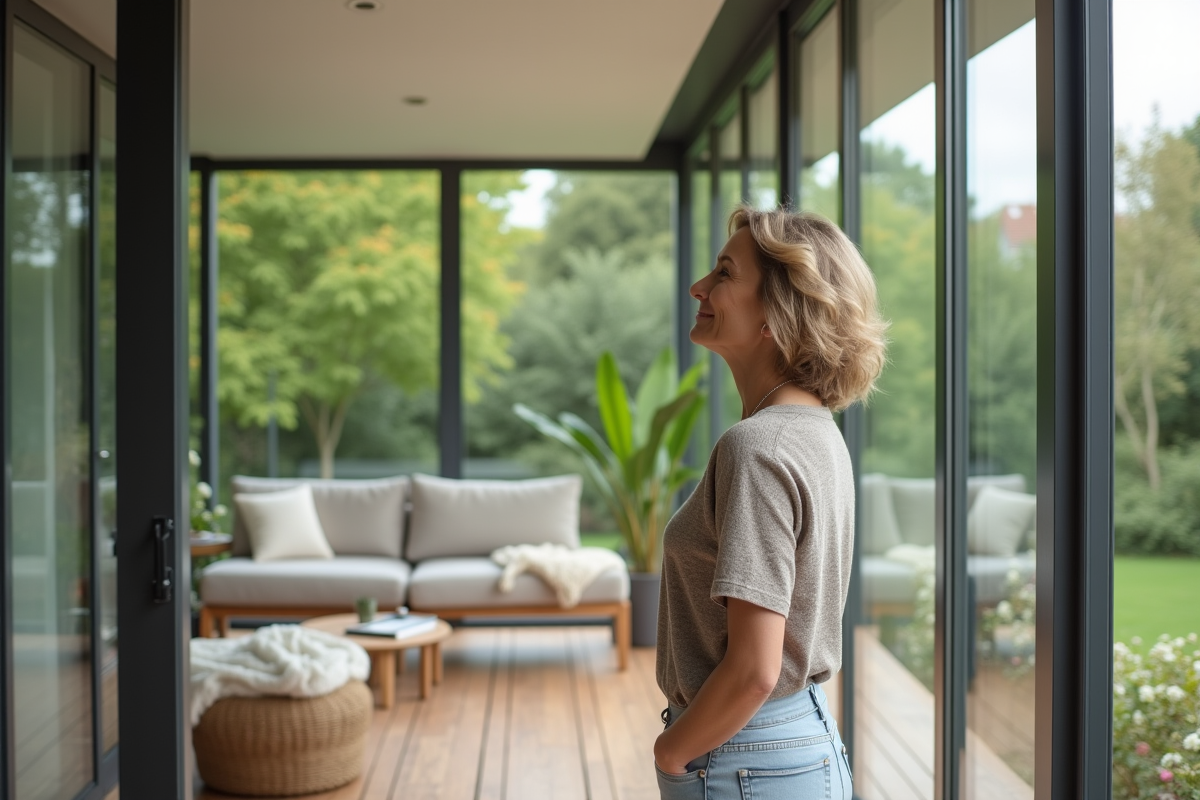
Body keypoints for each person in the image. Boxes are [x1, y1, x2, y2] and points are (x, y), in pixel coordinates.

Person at [653, 206, 887, 800]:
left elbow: (756, 669)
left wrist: (673, 751)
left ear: (776, 314)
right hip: (798, 741)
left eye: (725, 273)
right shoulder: (816, 431)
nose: (698, 287)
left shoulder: (757, 446)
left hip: (743, 758)